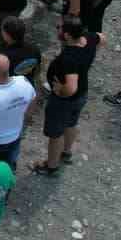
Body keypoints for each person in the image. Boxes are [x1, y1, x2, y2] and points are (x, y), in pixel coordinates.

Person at [33, 16, 99, 174]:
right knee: (71, 123)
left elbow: (71, 88)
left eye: (59, 28)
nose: (57, 29)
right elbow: (102, 38)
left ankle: (51, 166)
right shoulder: (89, 38)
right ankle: (66, 152)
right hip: (82, 95)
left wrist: (60, 90)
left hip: (65, 101)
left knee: (55, 134)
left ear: (68, 35)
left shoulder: (69, 58)